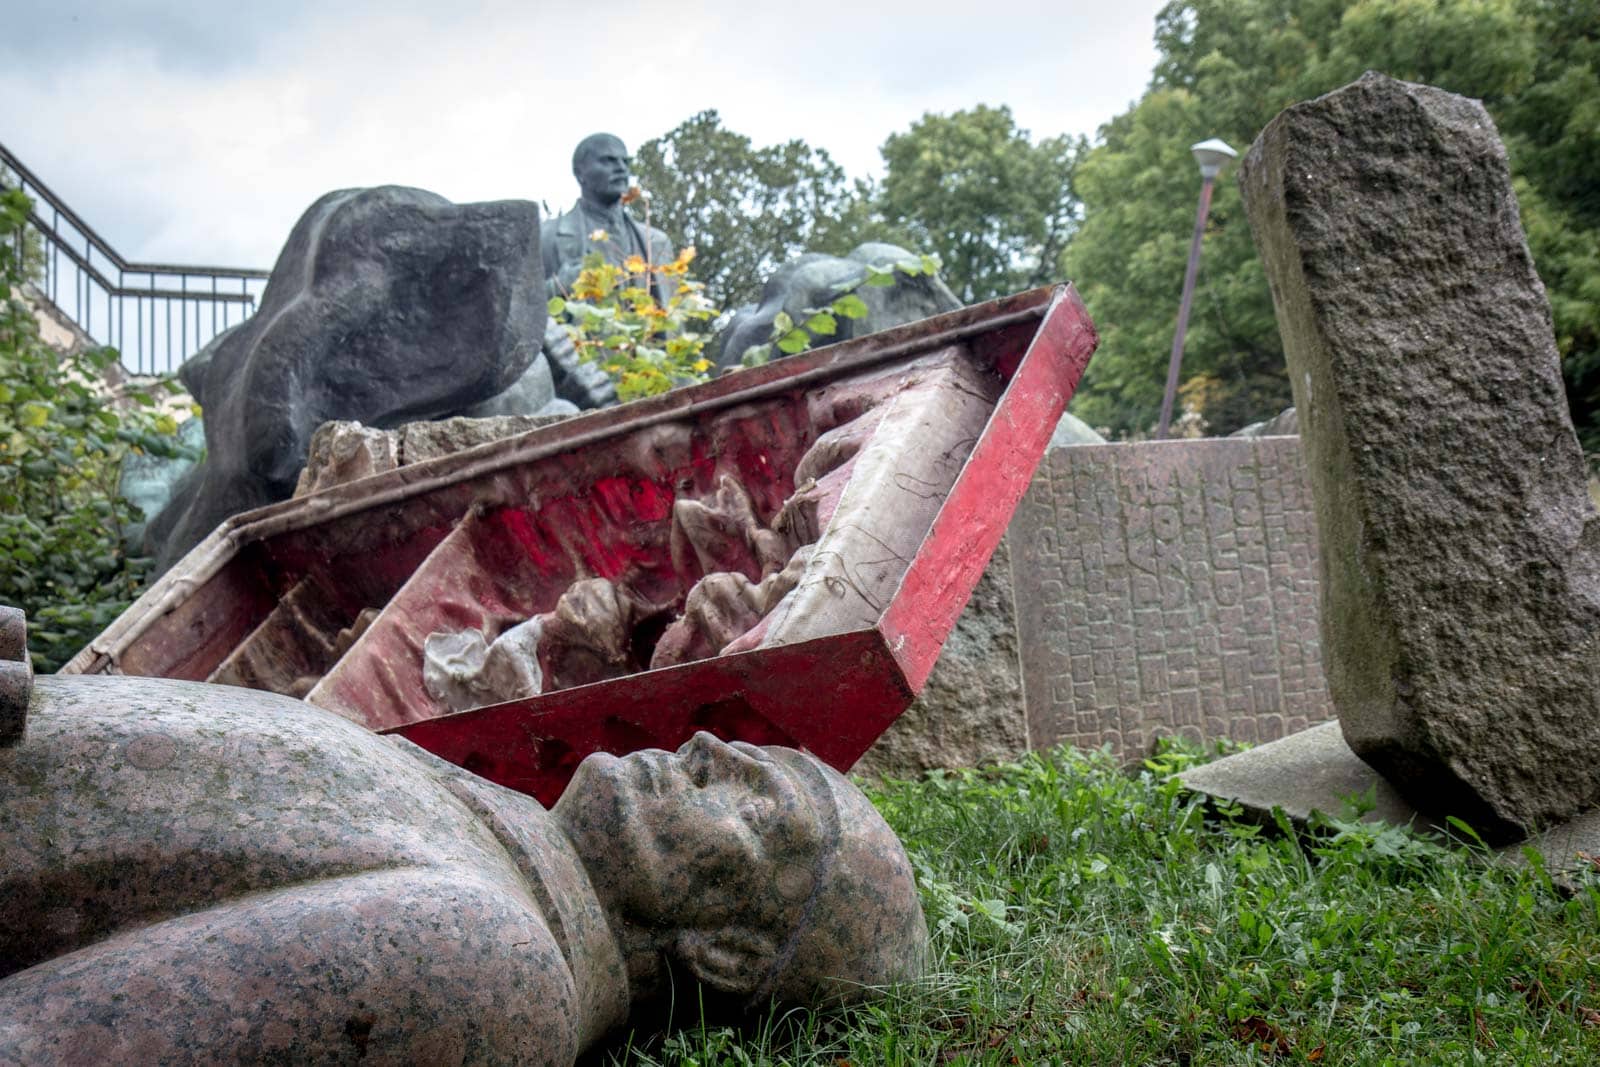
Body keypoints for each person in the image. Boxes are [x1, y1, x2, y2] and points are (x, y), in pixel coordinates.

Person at [0, 672, 926, 1065]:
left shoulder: (491, 963)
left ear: (726, 950)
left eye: (765, 809)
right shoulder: (489, 858)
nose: (711, 747)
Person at [542, 133, 675, 306]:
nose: (621, 168)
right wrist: (560, 286)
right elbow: (519, 310)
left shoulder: (657, 242)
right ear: (579, 172)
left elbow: (673, 319)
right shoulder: (546, 236)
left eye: (625, 162)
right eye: (608, 161)